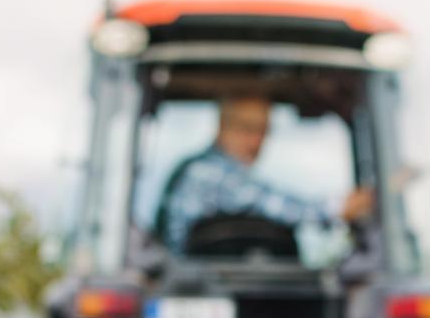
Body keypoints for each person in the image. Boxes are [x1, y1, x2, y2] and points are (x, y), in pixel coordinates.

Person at [155, 95, 374, 254]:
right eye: (247, 128)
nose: (255, 141)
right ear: (222, 126)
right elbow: (275, 205)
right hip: (188, 285)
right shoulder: (206, 172)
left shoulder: (216, 171)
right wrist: (337, 208)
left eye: (263, 131)